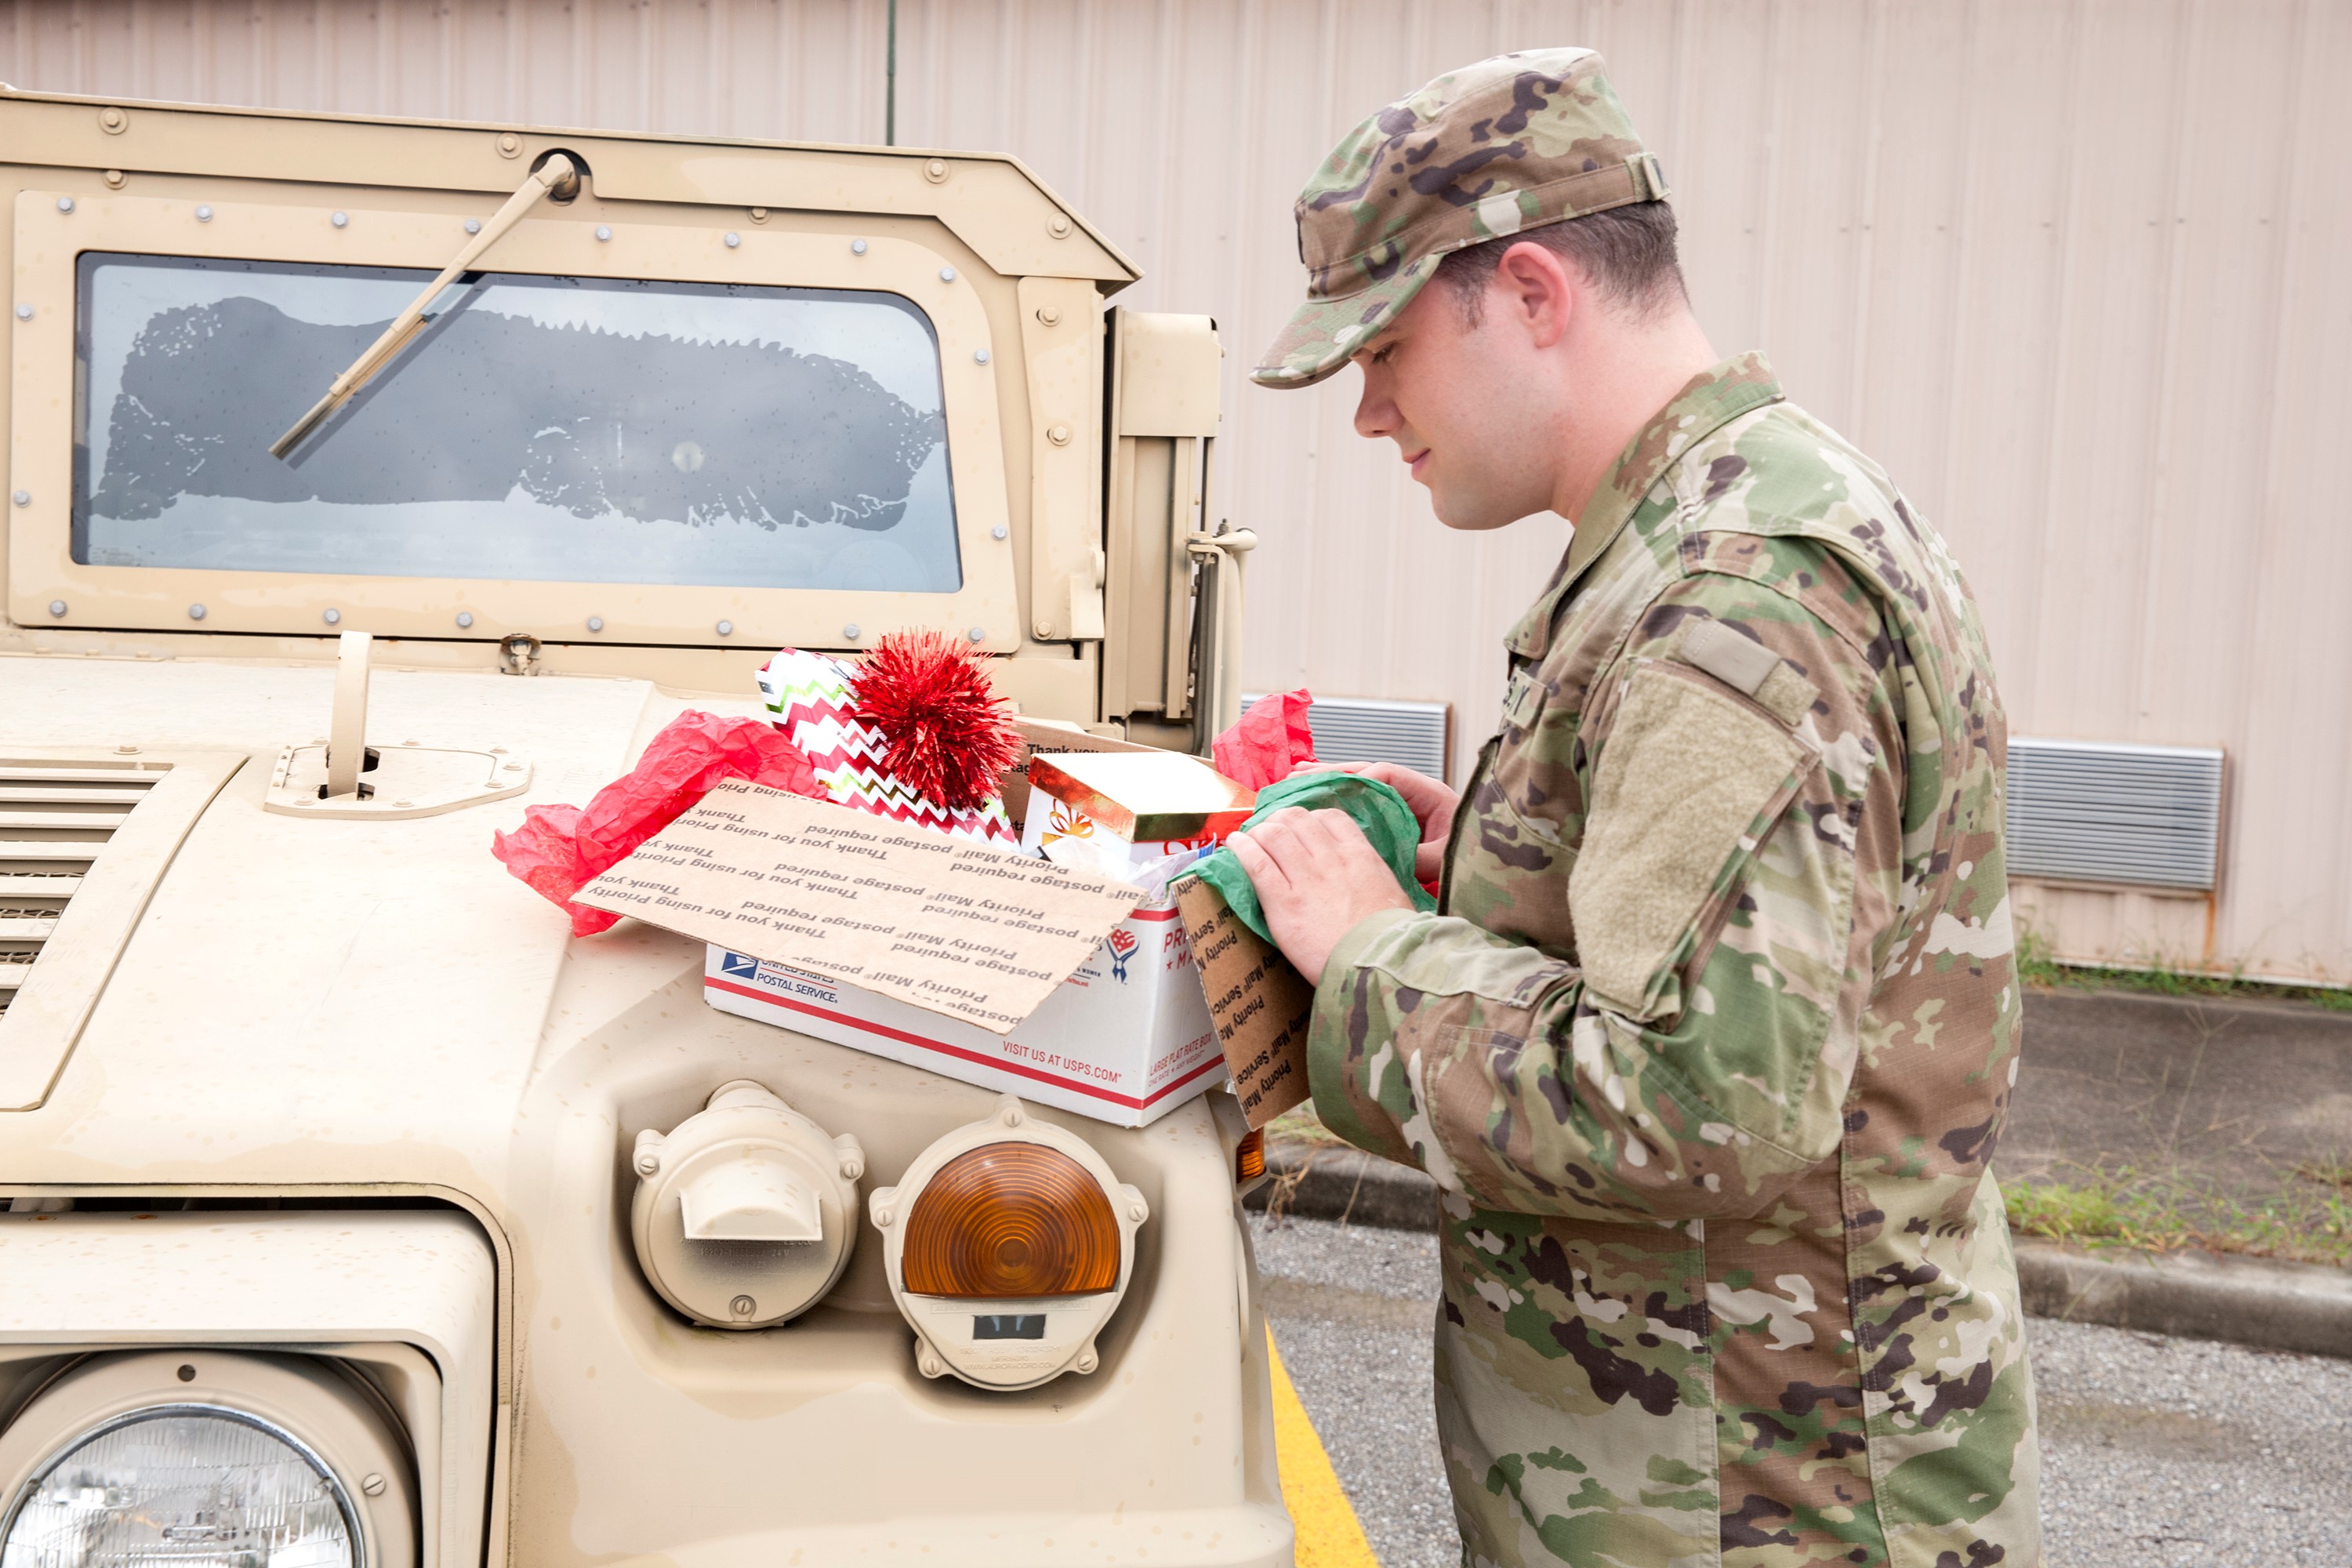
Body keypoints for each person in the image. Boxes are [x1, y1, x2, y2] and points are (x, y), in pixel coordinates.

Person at [1232, 48, 2041, 1568]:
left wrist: (1372, 957)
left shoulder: (1735, 597)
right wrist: (1496, 855)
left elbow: (1697, 1102)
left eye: (1385, 349)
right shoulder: (1720, 526)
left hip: (1750, 1504)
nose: (1367, 411)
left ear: (1533, 292)